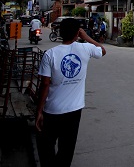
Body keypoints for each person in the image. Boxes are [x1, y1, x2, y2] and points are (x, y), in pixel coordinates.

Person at [35, 17, 106, 167]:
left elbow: (45, 85)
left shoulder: (50, 54)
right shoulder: (85, 48)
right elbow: (102, 50)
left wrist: (39, 111)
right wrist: (86, 38)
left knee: (46, 148)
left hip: (51, 111)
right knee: (66, 151)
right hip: (74, 111)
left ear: (60, 32)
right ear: (77, 33)